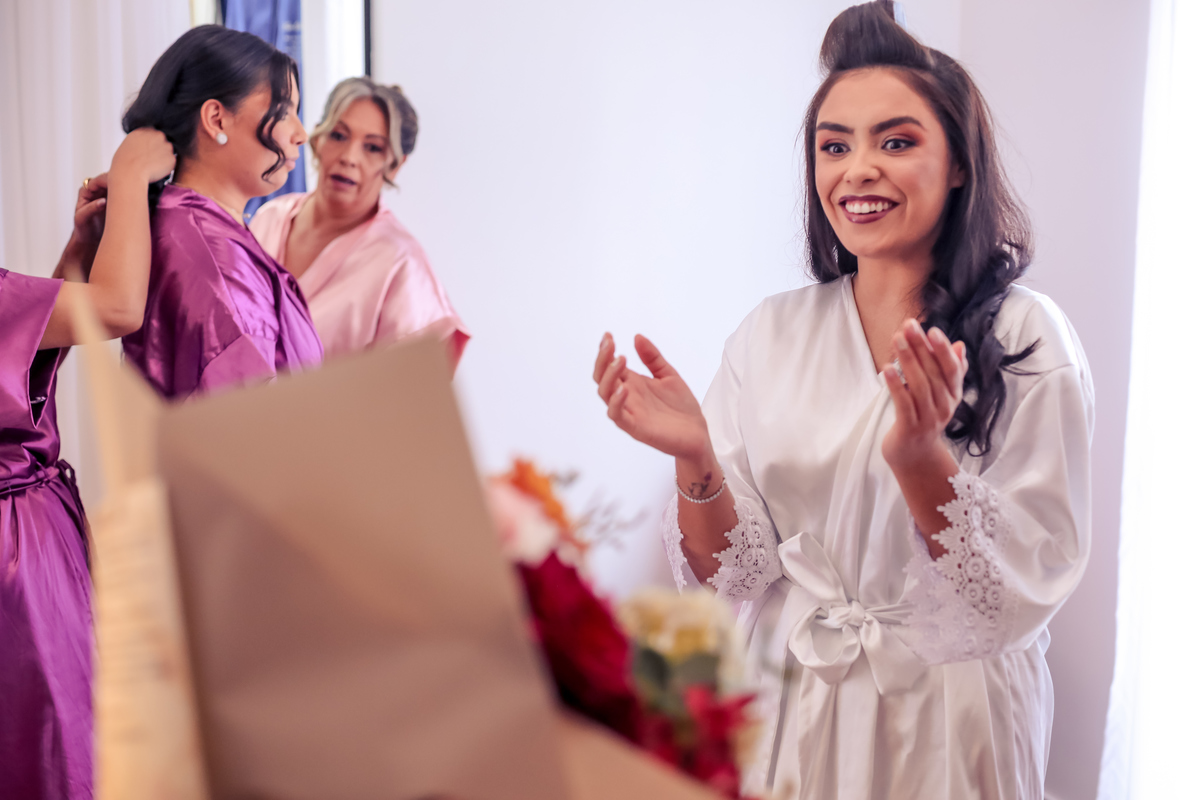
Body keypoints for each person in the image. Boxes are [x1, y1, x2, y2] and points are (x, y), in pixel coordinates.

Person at [592, 3, 1092, 798]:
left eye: (896, 142)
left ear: (959, 164)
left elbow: (1017, 590)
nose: (857, 169)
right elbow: (735, 575)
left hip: (948, 717)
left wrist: (920, 459)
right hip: (795, 698)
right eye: (834, 146)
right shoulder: (770, 333)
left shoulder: (1026, 334)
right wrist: (695, 458)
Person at [0, 128, 175, 799]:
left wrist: (77, 255)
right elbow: (119, 307)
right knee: (52, 746)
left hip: (25, 545)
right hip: (18, 567)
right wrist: (130, 170)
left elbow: (22, 343)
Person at [120, 25, 323, 400]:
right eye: (284, 111)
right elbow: (253, 425)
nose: (301, 133)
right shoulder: (217, 263)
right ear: (216, 119)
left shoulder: (187, 227)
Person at [250, 77, 468, 371]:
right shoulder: (268, 218)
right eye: (339, 136)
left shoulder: (402, 264)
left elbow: (414, 387)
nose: (349, 158)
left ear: (395, 164)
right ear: (317, 139)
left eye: (373, 148)